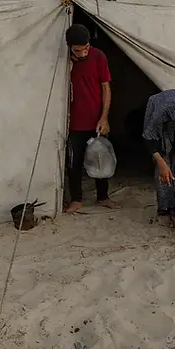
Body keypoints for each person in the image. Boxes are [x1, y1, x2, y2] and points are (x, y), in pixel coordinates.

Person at [66, 24, 118, 212]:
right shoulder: (63, 62)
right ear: (69, 47)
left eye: (86, 48)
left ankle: (103, 197)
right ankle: (76, 199)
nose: (83, 53)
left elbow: (106, 88)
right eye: (78, 50)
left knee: (101, 157)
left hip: (96, 120)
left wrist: (104, 118)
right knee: (74, 163)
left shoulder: (98, 56)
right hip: (73, 123)